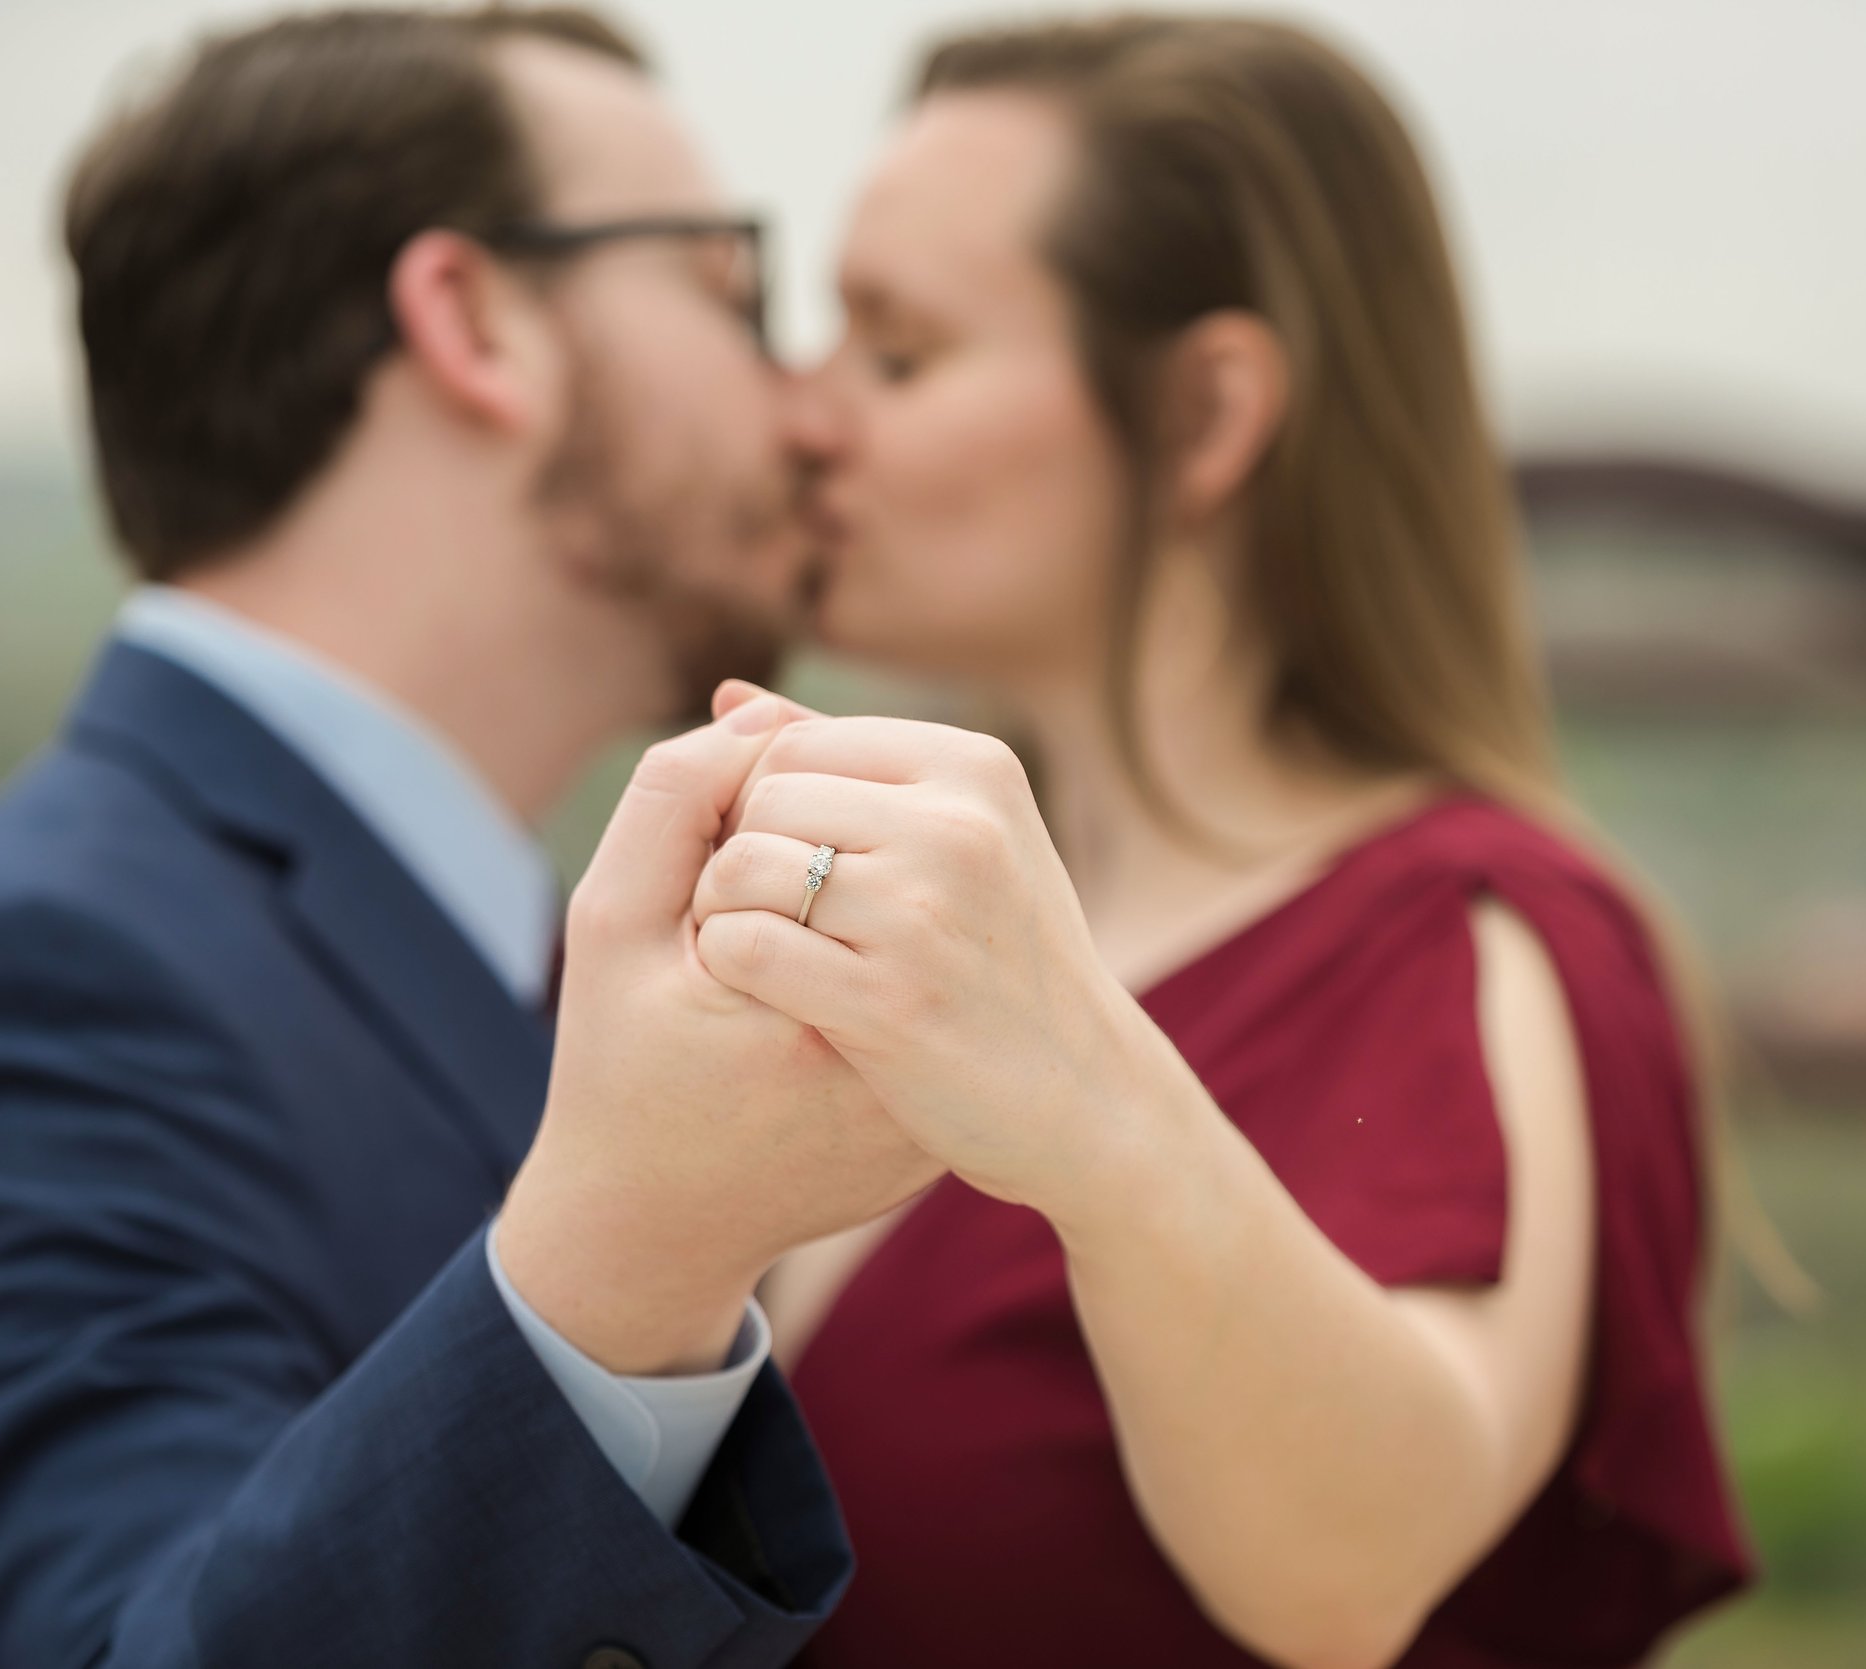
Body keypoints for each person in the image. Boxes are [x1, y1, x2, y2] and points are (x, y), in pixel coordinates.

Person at [0, 9, 938, 1665]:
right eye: (726, 288)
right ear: (473, 321)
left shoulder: (508, 931)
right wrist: (637, 1251)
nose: (807, 412)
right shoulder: (23, 978)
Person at [677, 16, 1756, 1668]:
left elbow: (1356, 1565)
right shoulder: (862, 912)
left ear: (1204, 411)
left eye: (895, 354)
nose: (806, 419)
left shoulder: (1470, 938)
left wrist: (1091, 1111)